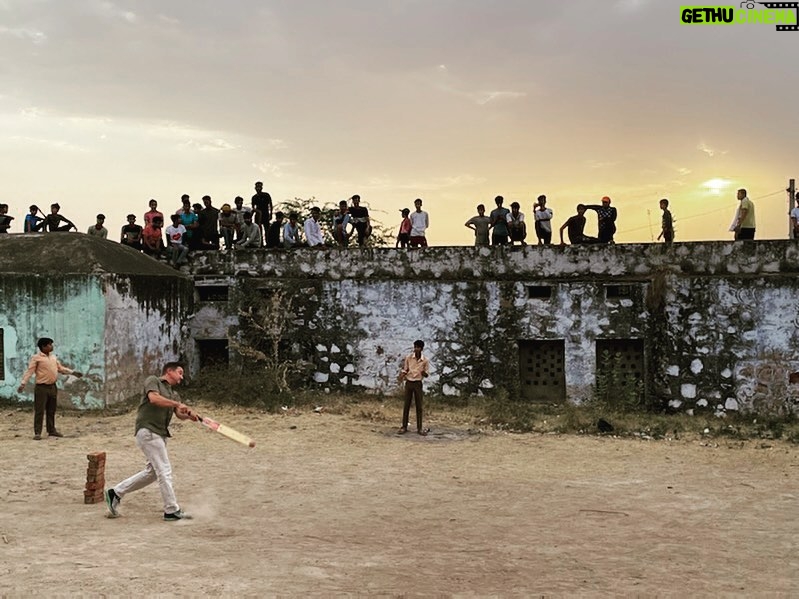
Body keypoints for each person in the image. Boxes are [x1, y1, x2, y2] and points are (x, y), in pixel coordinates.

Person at [104, 362, 197, 521]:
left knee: (152, 473)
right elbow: (154, 399)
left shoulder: (173, 394)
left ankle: (116, 492)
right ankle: (171, 510)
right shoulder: (153, 380)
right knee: (164, 470)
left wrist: (189, 416)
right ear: (169, 371)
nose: (182, 377)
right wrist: (177, 404)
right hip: (148, 430)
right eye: (179, 373)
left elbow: (178, 414)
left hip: (160, 433)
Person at [17, 337, 83, 440]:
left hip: (52, 386)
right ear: (43, 346)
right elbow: (29, 371)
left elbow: (60, 369)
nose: (51, 346)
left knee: (51, 410)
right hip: (41, 387)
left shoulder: (53, 357)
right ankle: (37, 432)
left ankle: (51, 430)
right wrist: (23, 383)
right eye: (49, 345)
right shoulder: (36, 358)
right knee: (39, 410)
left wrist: (73, 372)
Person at [397, 340, 430, 436]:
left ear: (421, 349)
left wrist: (423, 372)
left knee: (419, 406)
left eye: (418, 347)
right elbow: (406, 369)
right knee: (406, 405)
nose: (416, 349)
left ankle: (419, 428)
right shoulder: (409, 358)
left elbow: (427, 374)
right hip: (409, 382)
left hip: (418, 383)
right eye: (415, 347)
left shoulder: (425, 360)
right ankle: (404, 426)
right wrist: (401, 376)